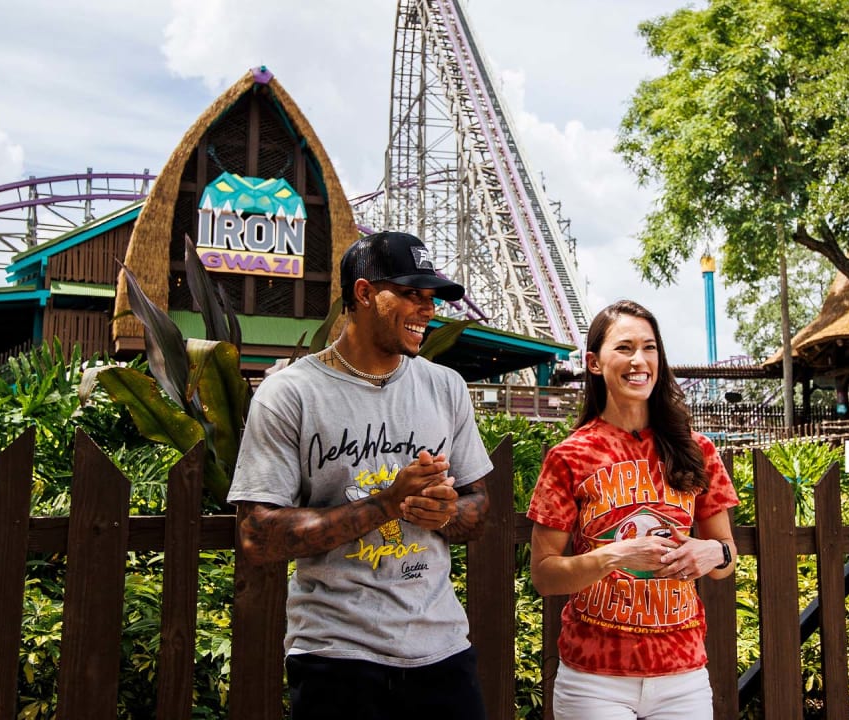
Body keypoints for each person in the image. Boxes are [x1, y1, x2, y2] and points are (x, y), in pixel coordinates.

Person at [228, 231, 492, 720]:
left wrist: (446, 511)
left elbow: (479, 511)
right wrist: (385, 505)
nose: (427, 309)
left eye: (431, 297)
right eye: (412, 294)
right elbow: (257, 536)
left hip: (442, 650)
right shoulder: (291, 393)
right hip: (335, 659)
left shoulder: (445, 387)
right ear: (365, 293)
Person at [527, 300, 739, 720]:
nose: (639, 360)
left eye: (649, 347)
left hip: (683, 676)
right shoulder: (570, 456)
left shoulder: (697, 450)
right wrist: (616, 555)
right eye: (624, 348)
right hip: (594, 679)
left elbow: (725, 557)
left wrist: (713, 553)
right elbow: (544, 575)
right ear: (593, 362)